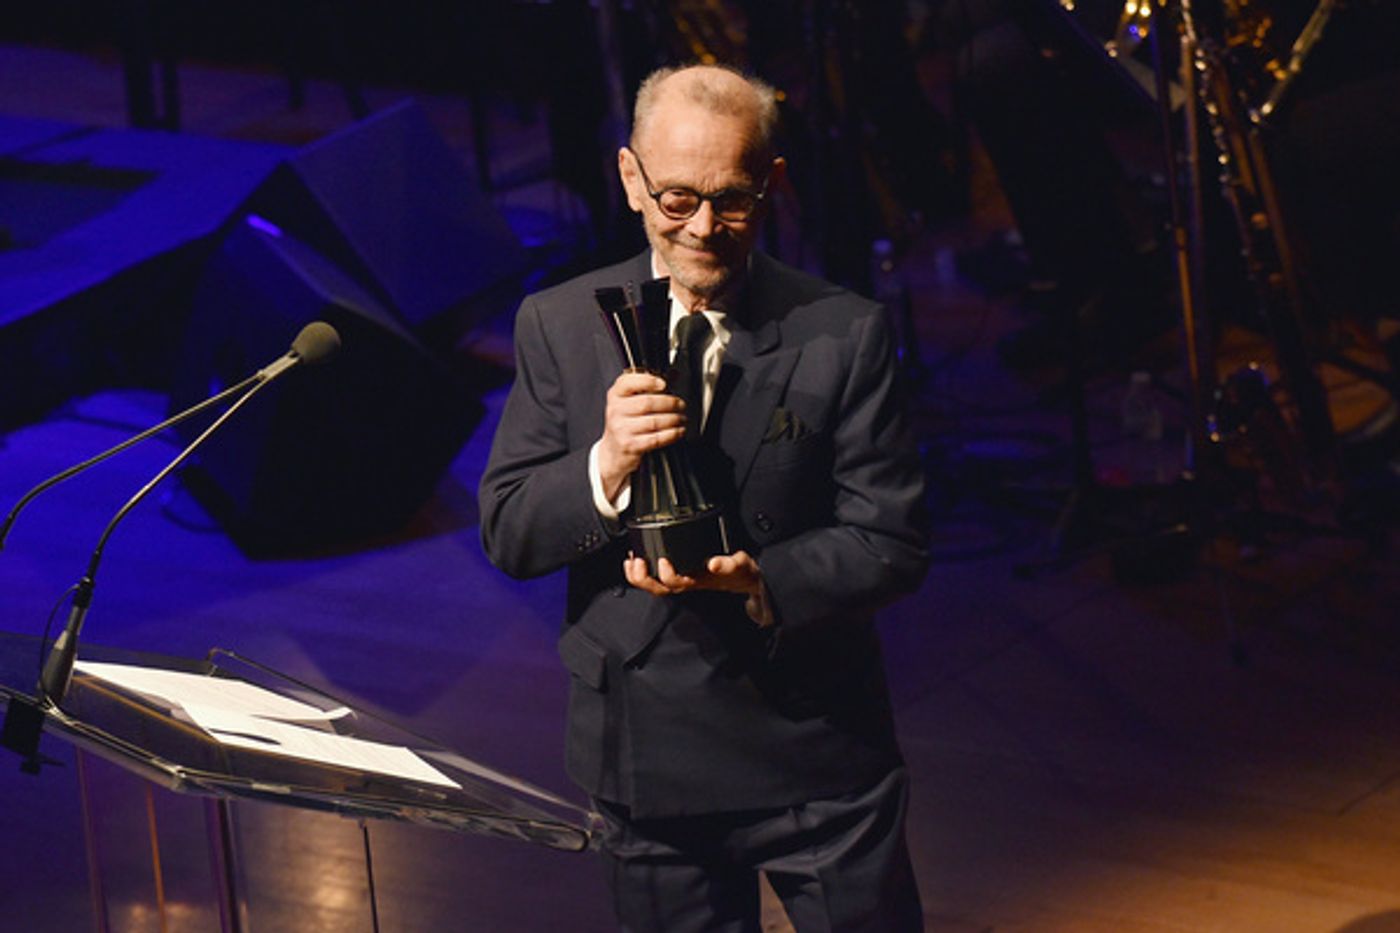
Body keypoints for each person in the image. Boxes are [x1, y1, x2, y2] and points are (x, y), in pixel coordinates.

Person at [478, 63, 929, 932]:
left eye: (734, 199)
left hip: (814, 748)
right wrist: (604, 464)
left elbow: (892, 539)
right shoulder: (560, 323)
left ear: (774, 185)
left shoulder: (843, 331)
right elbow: (509, 530)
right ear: (629, 179)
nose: (704, 228)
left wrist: (761, 576)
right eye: (676, 198)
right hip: (648, 753)